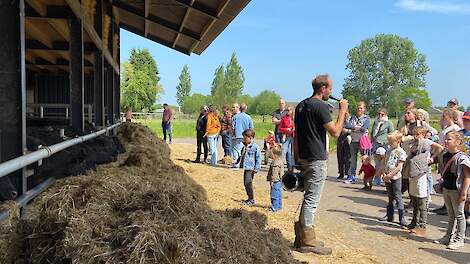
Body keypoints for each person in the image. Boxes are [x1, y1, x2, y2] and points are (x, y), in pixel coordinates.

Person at [293, 74, 348, 255]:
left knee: (307, 197)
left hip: (304, 157)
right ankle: (308, 243)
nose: (331, 92)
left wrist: (296, 157)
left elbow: (296, 135)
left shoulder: (301, 105)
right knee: (311, 200)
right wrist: (342, 111)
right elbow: (335, 132)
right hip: (316, 159)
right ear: (323, 89)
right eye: (330, 89)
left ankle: (302, 237)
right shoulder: (321, 106)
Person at [433, 131, 470, 250]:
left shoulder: (462, 158)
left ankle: (460, 239)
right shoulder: (445, 155)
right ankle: (448, 236)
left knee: (459, 215)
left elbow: (467, 177)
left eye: (449, 139)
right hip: (447, 188)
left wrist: (463, 193)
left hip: (457, 190)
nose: (446, 141)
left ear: (458, 142)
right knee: (450, 215)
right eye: (446, 139)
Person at [406, 127, 444, 235]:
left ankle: (422, 225)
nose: (416, 136)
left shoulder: (427, 141)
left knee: (421, 198)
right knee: (414, 197)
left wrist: (432, 157)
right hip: (413, 171)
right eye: (415, 133)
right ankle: (414, 222)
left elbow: (440, 148)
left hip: (422, 172)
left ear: (423, 133)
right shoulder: (414, 143)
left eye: (418, 133)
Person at [379, 130, 408, 227]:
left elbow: (399, 167)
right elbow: (384, 162)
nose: (390, 144)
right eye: (389, 142)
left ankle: (401, 217)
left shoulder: (401, 152)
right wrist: (383, 173)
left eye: (392, 142)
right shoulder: (389, 150)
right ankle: (389, 215)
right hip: (387, 176)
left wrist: (390, 175)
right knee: (390, 196)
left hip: (395, 177)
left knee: (397, 196)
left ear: (398, 141)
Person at [344, 101, 370, 184]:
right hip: (353, 140)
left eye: (361, 108)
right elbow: (347, 125)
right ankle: (352, 176)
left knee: (365, 159)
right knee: (352, 160)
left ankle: (367, 177)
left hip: (362, 141)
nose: (359, 109)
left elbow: (364, 128)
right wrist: (356, 127)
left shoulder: (366, 118)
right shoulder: (353, 117)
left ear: (364, 109)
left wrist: (353, 128)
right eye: (358, 108)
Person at [371, 108, 394, 185]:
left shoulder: (388, 123)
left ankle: (385, 179)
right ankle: (377, 179)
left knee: (384, 163)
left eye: (382, 114)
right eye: (379, 114)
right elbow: (372, 133)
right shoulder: (376, 122)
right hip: (376, 144)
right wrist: (372, 141)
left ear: (386, 115)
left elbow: (392, 134)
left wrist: (387, 142)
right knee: (377, 163)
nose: (380, 116)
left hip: (384, 145)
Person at [238, 129, 261, 206]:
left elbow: (258, 158)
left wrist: (257, 168)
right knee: (246, 183)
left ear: (250, 138)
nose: (244, 139)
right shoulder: (245, 145)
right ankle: (249, 198)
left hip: (251, 168)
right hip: (246, 167)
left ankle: (251, 200)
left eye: (245, 138)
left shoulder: (255, 147)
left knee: (248, 183)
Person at [231, 103, 254, 168]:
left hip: (237, 135)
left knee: (236, 150)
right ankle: (243, 164)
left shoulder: (235, 117)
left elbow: (233, 127)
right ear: (246, 109)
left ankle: (236, 164)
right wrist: (251, 137)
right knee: (244, 150)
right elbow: (251, 128)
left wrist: (233, 135)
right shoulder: (248, 117)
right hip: (246, 136)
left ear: (240, 109)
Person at [267, 143, 283, 212]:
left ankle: (274, 208)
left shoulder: (275, 164)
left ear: (275, 155)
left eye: (271, 155)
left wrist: (271, 181)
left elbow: (274, 173)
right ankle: (279, 206)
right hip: (279, 181)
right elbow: (281, 174)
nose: (270, 157)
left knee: (274, 195)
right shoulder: (280, 161)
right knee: (278, 194)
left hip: (275, 181)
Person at [279, 105, 295, 172]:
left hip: (293, 137)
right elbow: (280, 129)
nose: (288, 111)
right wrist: (286, 129)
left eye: (289, 110)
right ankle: (280, 167)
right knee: (284, 152)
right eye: (287, 110)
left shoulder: (294, 119)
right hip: (286, 136)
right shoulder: (284, 118)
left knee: (290, 153)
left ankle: (290, 168)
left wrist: (294, 129)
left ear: (292, 111)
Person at [461, 112, 470, 226]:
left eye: (468, 120)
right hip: (461, 164)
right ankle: (464, 213)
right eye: (464, 120)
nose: (466, 122)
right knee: (462, 190)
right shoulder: (459, 133)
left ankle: (466, 214)